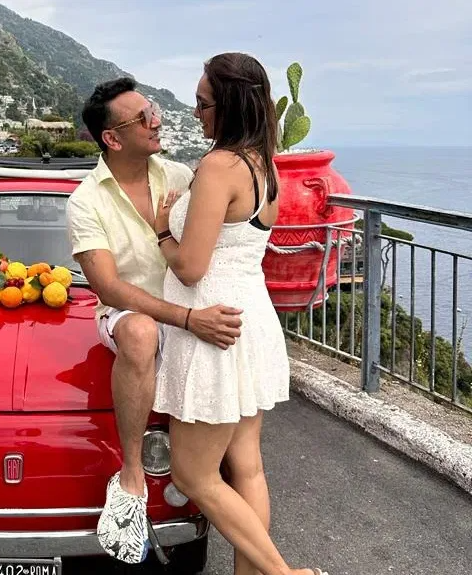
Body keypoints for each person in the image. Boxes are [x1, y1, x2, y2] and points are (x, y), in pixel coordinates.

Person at [152, 52, 327, 575]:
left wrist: (161, 229)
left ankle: (283, 574)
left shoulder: (219, 166)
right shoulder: (262, 163)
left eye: (202, 102)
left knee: (193, 474)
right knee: (246, 465)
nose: (195, 112)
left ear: (227, 105)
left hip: (213, 326)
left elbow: (191, 267)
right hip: (249, 320)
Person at [66, 77, 243, 564]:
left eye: (154, 110)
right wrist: (187, 318)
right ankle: (132, 472)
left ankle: (206, 472)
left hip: (190, 307)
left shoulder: (181, 177)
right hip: (129, 313)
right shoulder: (86, 200)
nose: (157, 120)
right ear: (112, 138)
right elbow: (108, 288)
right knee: (141, 333)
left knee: (239, 444)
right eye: (143, 117)